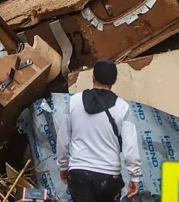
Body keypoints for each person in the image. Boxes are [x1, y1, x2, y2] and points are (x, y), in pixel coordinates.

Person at [56, 60, 141, 202]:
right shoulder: (122, 107)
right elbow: (130, 146)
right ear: (114, 81)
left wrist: (63, 166)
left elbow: (62, 139)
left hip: (79, 174)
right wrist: (134, 176)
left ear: (92, 77)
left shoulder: (74, 102)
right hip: (109, 176)